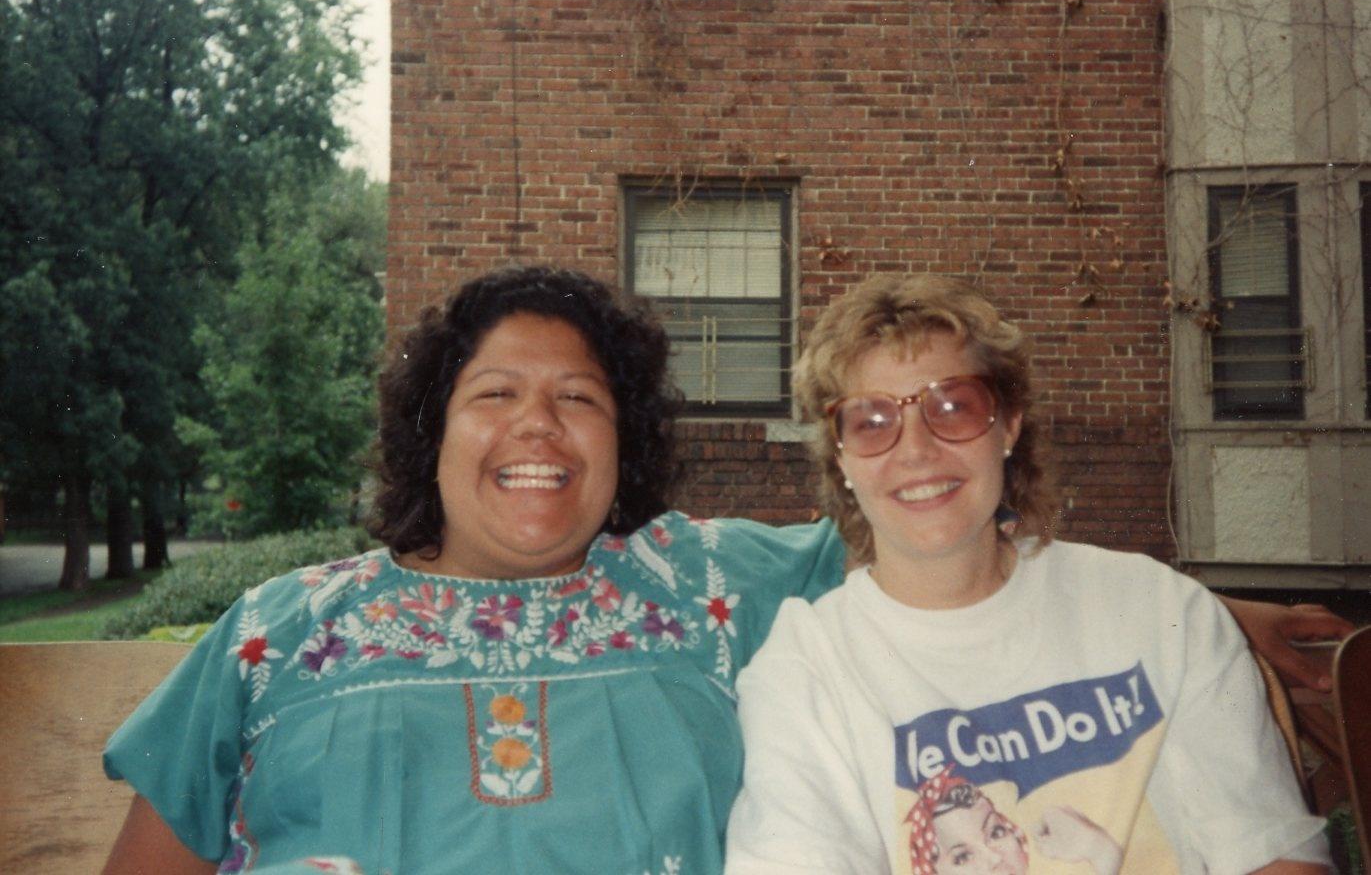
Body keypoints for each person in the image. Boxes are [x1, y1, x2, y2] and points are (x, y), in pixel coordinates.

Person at [104, 267, 1345, 875]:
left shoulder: (698, 583)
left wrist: (1194, 611)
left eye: (579, 400)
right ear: (431, 426)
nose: (538, 430)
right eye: (496, 395)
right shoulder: (283, 627)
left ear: (626, 437)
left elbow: (940, 529)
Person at [725, 274, 1332, 874]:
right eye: (872, 420)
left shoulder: (1156, 606)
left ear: (1008, 424)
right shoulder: (804, 671)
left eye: (954, 406)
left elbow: (1275, 858)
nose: (916, 450)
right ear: (841, 456)